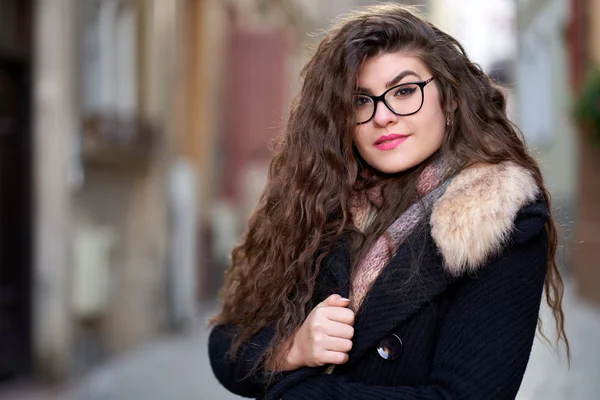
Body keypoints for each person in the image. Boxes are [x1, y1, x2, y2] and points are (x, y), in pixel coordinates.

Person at [208, 4, 569, 399]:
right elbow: (226, 343)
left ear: (448, 99)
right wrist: (291, 349)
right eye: (361, 101)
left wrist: (301, 393)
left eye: (404, 91)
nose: (383, 116)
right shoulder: (318, 202)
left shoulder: (500, 220)